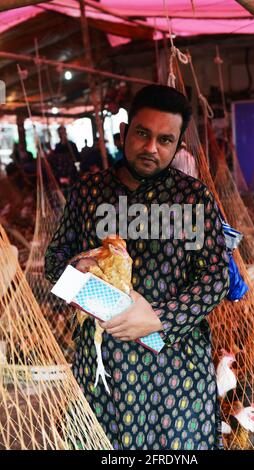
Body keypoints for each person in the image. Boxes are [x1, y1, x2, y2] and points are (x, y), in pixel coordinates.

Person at [45, 85, 229, 450]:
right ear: (124, 131)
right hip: (104, 363)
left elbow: (216, 276)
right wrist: (79, 267)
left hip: (176, 368)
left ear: (177, 148)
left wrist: (161, 317)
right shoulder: (89, 192)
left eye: (165, 140)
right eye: (143, 134)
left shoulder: (191, 198)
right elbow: (54, 261)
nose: (151, 148)